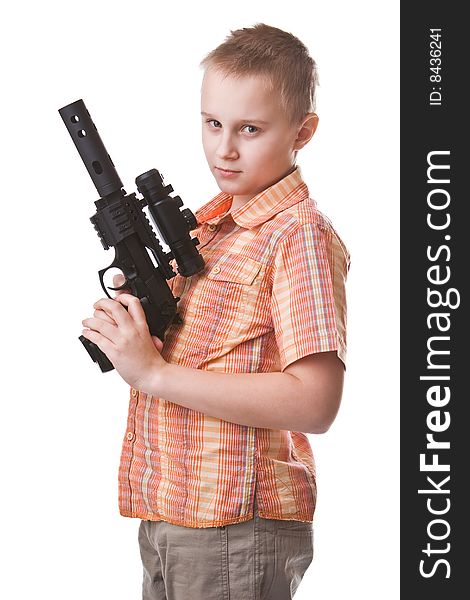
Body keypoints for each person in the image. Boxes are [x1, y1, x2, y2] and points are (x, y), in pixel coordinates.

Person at [81, 23, 350, 600]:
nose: (224, 148)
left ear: (304, 132)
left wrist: (154, 373)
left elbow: (315, 402)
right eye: (213, 123)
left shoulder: (298, 236)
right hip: (172, 511)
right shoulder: (211, 232)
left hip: (234, 524)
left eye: (250, 129)